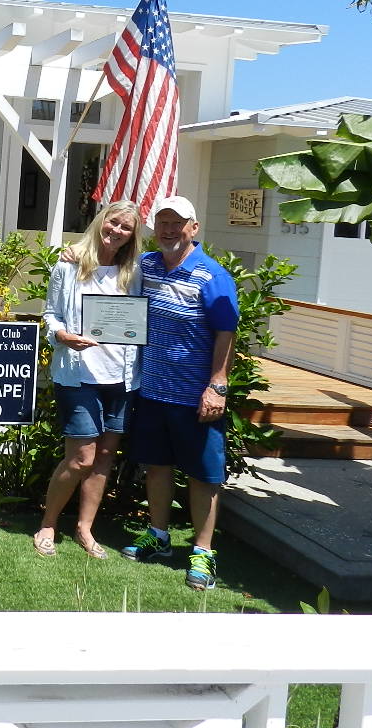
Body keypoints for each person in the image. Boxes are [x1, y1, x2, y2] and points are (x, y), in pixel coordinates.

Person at [121, 195, 239, 591]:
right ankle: (158, 536)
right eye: (163, 223)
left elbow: (226, 331)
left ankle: (203, 553)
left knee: (203, 476)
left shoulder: (212, 275)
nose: (170, 231)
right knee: (157, 466)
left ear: (194, 228)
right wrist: (73, 254)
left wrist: (217, 386)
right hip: (153, 391)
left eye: (178, 224)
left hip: (196, 397)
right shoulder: (147, 265)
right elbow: (106, 266)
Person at [33, 200, 143, 559]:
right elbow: (50, 314)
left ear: (133, 235)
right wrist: (62, 336)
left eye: (126, 227)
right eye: (113, 222)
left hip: (122, 377)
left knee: (105, 457)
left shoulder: (135, 270)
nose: (117, 231)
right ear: (101, 221)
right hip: (78, 374)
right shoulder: (69, 263)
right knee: (81, 458)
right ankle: (48, 523)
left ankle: (85, 528)